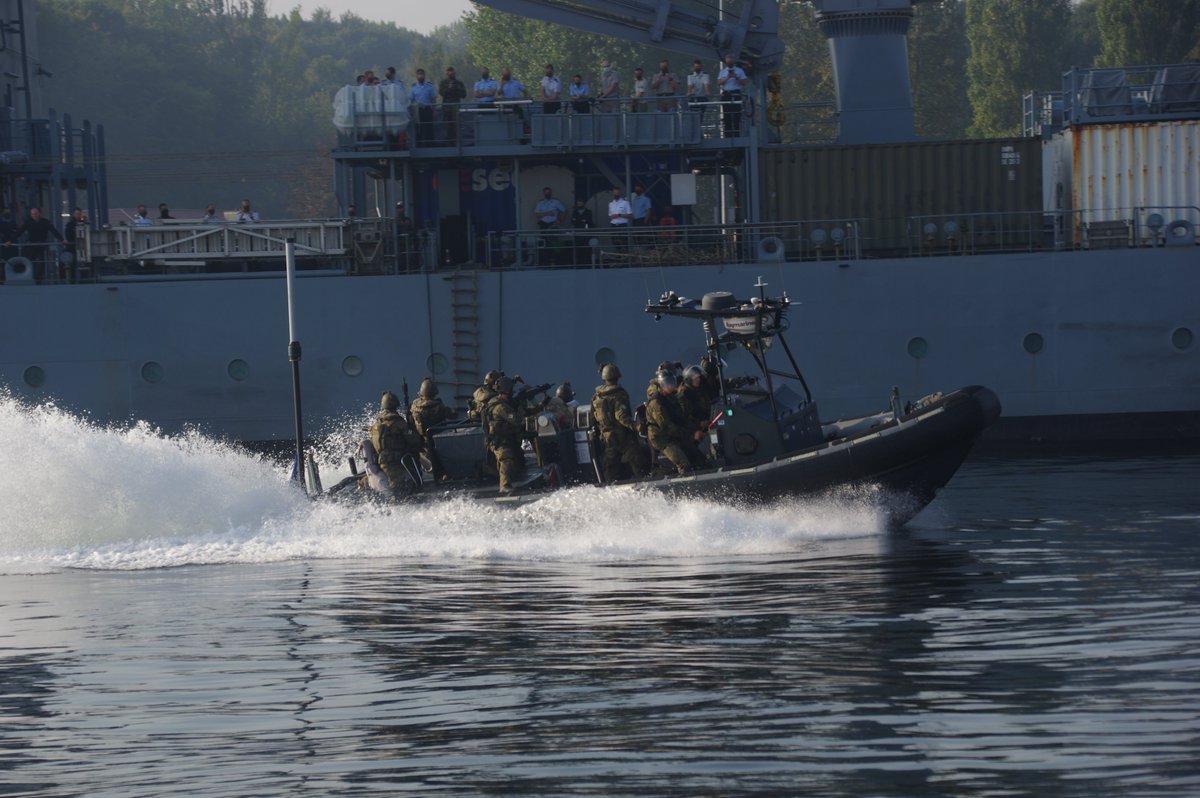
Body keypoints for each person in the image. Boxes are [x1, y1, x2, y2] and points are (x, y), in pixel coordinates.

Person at [591, 363, 648, 483]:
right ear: (617, 377)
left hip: (607, 437)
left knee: (610, 469)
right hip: (623, 436)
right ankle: (644, 486)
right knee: (638, 462)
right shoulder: (619, 394)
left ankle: (610, 490)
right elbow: (621, 416)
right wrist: (637, 427)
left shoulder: (597, 396)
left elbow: (593, 417)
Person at [645, 371, 706, 475]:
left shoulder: (671, 398)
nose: (670, 385)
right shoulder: (656, 403)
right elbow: (667, 427)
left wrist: (697, 426)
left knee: (700, 458)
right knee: (684, 464)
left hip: (674, 435)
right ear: (661, 384)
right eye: (666, 383)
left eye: (671, 382)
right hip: (662, 438)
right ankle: (685, 489)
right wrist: (691, 436)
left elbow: (681, 418)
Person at [368, 391, 423, 497]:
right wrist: (412, 429)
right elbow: (414, 442)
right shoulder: (399, 423)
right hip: (395, 463)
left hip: (380, 461)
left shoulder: (376, 423)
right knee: (398, 490)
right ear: (395, 405)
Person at [409, 378, 457, 481]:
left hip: (422, 443)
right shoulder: (438, 406)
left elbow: (411, 422)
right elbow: (453, 415)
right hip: (439, 441)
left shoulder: (414, 406)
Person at [484, 376, 523, 492]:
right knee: (506, 460)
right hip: (499, 440)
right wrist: (520, 408)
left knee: (506, 462)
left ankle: (506, 482)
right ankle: (504, 486)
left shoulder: (497, 402)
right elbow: (515, 420)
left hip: (501, 438)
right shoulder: (500, 407)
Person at [20, 206, 63, 282]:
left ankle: (39, 278)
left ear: (39, 214)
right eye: (32, 214)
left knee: (41, 261)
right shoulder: (28, 222)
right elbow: (20, 231)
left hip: (41, 245)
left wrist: (62, 240)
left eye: (36, 213)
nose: (34, 215)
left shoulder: (45, 222)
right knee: (30, 262)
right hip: (31, 245)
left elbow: (54, 231)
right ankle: (30, 277)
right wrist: (10, 240)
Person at [677, 364, 713, 440]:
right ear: (688, 380)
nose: (698, 380)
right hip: (693, 432)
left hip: (707, 424)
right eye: (695, 378)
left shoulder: (699, 389)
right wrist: (699, 424)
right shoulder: (684, 395)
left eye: (698, 377)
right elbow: (684, 418)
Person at [717, 54, 748, 137]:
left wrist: (736, 77)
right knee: (726, 115)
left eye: (731, 63)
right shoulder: (723, 71)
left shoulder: (739, 71)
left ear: (734, 62)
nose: (729, 64)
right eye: (728, 63)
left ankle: (737, 134)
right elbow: (719, 83)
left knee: (736, 115)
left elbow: (744, 82)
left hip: (736, 93)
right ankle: (727, 135)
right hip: (726, 94)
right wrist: (727, 77)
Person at [439, 66, 467, 143]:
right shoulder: (443, 83)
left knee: (457, 126)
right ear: (446, 73)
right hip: (447, 108)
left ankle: (457, 143)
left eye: (452, 71)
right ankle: (449, 143)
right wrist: (449, 88)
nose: (451, 73)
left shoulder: (459, 83)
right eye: (449, 71)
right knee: (448, 126)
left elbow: (464, 95)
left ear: (454, 73)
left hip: (456, 107)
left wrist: (456, 89)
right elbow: (442, 93)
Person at [409, 68, 437, 144]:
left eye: (421, 74)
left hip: (427, 109)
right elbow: (411, 100)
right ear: (416, 76)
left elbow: (433, 98)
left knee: (429, 127)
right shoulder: (413, 88)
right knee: (418, 128)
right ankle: (419, 144)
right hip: (418, 110)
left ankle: (430, 145)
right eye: (418, 74)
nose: (420, 76)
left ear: (424, 75)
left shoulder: (429, 86)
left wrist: (434, 111)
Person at [62, 207, 85, 281]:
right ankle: (72, 280)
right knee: (72, 264)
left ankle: (84, 280)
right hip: (72, 247)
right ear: (73, 214)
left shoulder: (84, 224)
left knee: (83, 264)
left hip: (82, 248)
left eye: (79, 214)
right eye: (76, 214)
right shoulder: (70, 224)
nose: (78, 215)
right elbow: (68, 235)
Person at [686, 59, 711, 125]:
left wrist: (707, 92)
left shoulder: (705, 75)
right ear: (693, 67)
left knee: (701, 117)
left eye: (699, 67)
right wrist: (689, 92)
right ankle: (695, 132)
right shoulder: (690, 76)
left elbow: (706, 85)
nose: (697, 68)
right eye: (696, 67)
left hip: (702, 98)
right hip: (693, 98)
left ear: (701, 67)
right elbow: (690, 87)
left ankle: (699, 132)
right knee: (693, 117)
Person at [395, 202, 415, 271]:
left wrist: (410, 234)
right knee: (400, 259)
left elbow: (412, 229)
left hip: (408, 243)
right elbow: (392, 232)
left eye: (401, 208)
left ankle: (410, 270)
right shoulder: (394, 221)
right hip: (399, 244)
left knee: (409, 257)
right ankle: (400, 271)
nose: (400, 210)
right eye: (398, 208)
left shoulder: (408, 220)